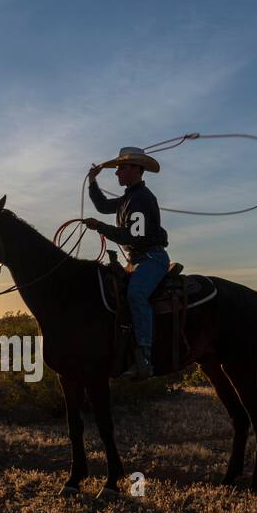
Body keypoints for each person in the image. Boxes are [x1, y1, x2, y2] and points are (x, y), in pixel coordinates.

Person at [85, 146, 169, 378]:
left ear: (135, 169)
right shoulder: (128, 197)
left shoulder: (141, 199)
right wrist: (93, 182)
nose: (116, 172)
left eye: (121, 168)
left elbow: (133, 236)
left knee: (136, 295)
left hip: (151, 259)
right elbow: (103, 206)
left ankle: (144, 357)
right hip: (138, 260)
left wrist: (99, 226)